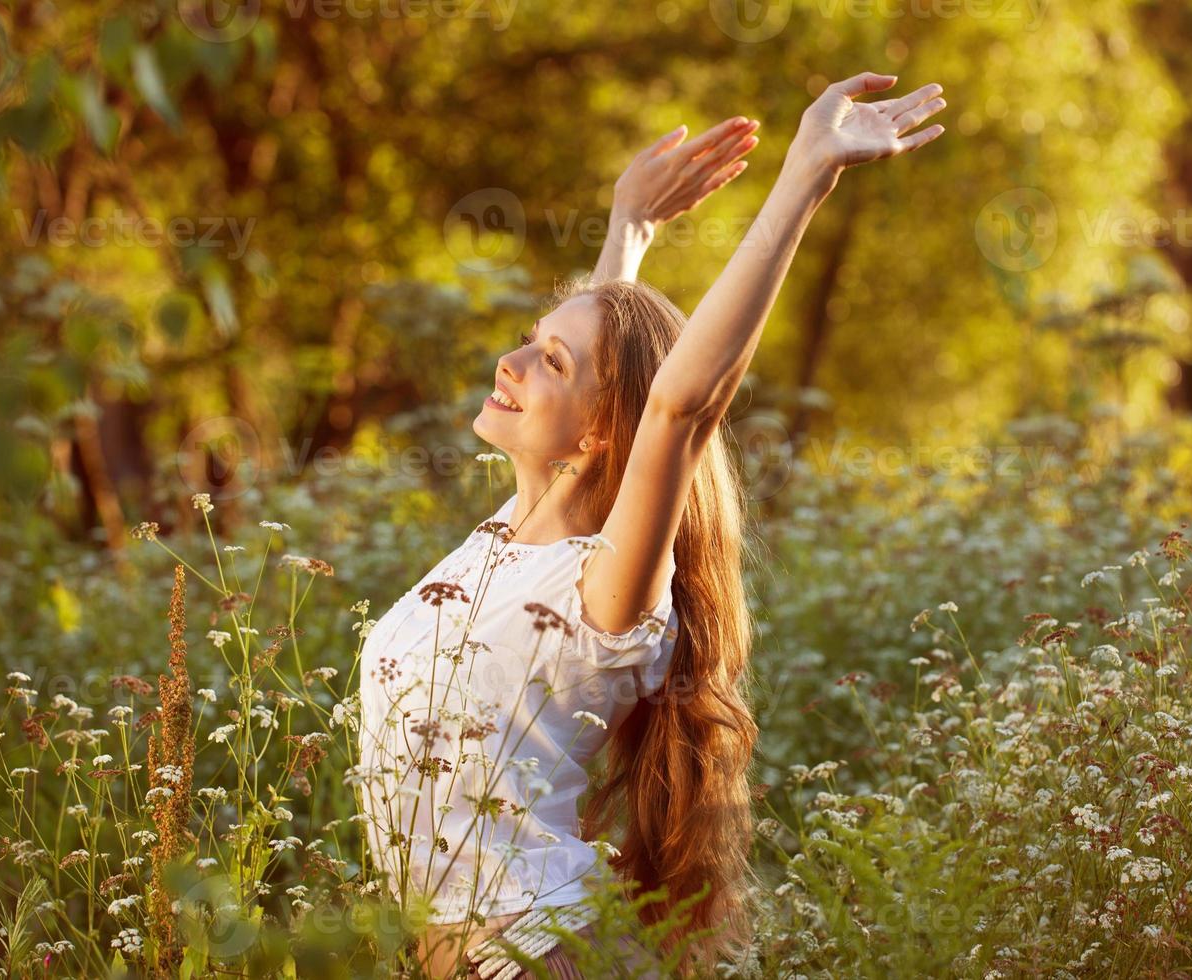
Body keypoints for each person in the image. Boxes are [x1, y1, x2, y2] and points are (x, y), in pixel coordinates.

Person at [354, 71, 946, 979]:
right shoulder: (505, 541)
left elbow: (670, 403)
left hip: (537, 959)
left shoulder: (600, 596)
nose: (510, 362)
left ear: (597, 429)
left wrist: (804, 178)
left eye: (545, 360)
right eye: (529, 339)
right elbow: (614, 366)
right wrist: (626, 231)